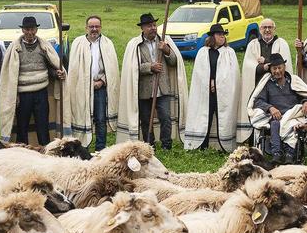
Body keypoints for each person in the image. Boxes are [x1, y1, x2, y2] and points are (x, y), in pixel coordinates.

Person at [117, 13, 188, 149]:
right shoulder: (136, 45)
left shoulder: (164, 41)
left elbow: (174, 62)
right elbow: (132, 67)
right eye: (149, 26)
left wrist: (167, 50)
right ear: (142, 28)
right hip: (145, 90)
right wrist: (150, 67)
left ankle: (166, 144)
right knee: (146, 119)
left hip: (162, 89)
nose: (153, 28)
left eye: (154, 25)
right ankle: (149, 145)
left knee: (165, 118)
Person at [0, 16, 65, 145]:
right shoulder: (15, 48)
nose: (30, 32)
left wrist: (57, 73)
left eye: (32, 29)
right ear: (23, 30)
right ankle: (22, 153)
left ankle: (45, 151)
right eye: (27, 29)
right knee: (22, 126)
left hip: (41, 92)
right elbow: (10, 71)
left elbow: (51, 66)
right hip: (23, 94)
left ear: (36, 30)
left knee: (42, 125)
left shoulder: (44, 46)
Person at [63, 15, 119, 152]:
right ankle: (83, 148)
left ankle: (101, 149)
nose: (94, 29)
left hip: (99, 87)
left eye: (97, 26)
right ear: (86, 28)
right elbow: (74, 68)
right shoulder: (78, 43)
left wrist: (102, 81)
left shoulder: (107, 43)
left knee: (100, 119)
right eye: (91, 26)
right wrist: (85, 83)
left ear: (101, 27)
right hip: (82, 88)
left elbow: (112, 69)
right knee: (82, 116)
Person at [248, 53, 307, 164]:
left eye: (279, 68)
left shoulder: (293, 82)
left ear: (284, 67)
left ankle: (290, 153)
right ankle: (276, 154)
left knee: (293, 124)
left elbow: (304, 95)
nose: (277, 71)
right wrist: (270, 108)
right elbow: (258, 101)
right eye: (274, 68)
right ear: (270, 70)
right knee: (275, 124)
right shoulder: (267, 84)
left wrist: (306, 102)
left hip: (292, 116)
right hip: (276, 117)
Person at [184, 24, 241, 151]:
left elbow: (232, 74)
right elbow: (199, 73)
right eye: (219, 34)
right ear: (212, 37)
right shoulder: (203, 53)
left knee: (224, 117)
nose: (222, 37)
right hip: (206, 92)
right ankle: (202, 145)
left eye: (223, 35)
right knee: (206, 117)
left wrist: (217, 83)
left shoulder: (229, 53)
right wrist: (209, 82)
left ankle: (224, 146)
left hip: (223, 92)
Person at [237, 18, 293, 143]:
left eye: (270, 27)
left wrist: (266, 61)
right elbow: (248, 65)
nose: (267, 30)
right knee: (257, 107)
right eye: (264, 27)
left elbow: (283, 63)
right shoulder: (253, 44)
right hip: (257, 84)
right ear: (260, 29)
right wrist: (264, 67)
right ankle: (253, 137)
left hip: (276, 87)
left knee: (276, 111)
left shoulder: (282, 43)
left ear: (274, 29)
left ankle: (280, 139)